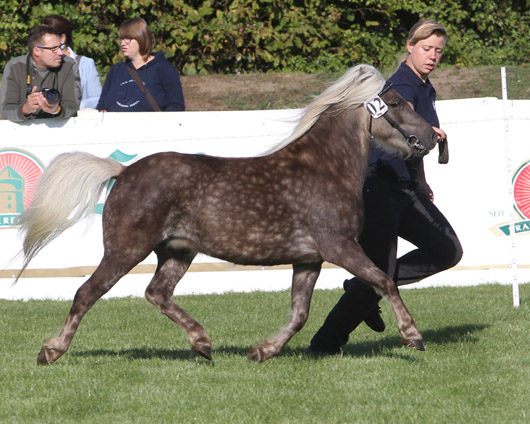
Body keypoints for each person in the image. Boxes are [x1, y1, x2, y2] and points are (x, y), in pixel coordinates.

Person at [308, 19, 463, 355]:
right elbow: (388, 141)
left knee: (447, 251)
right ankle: (325, 344)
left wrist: (421, 180)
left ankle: (363, 284)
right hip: (379, 187)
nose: (433, 55)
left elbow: (414, 141)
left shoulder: (425, 86)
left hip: (406, 187)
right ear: (410, 46)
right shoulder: (397, 89)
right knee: (377, 273)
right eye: (426, 48)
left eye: (438, 50)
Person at [96, 17, 185, 112]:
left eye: (128, 39)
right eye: (121, 39)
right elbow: (102, 105)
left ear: (140, 38)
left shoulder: (164, 69)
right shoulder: (116, 71)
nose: (123, 43)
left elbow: (176, 106)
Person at [0, 26, 80, 122]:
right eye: (54, 49)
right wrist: (26, 109)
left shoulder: (68, 65)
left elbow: (73, 106)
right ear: (37, 51)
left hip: (59, 130)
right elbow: (5, 111)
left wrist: (56, 109)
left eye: (60, 47)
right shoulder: (15, 67)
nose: (60, 52)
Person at [42, 15, 102, 110]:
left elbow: (97, 99)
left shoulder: (85, 64)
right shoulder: (37, 62)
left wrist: (71, 106)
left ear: (62, 38)